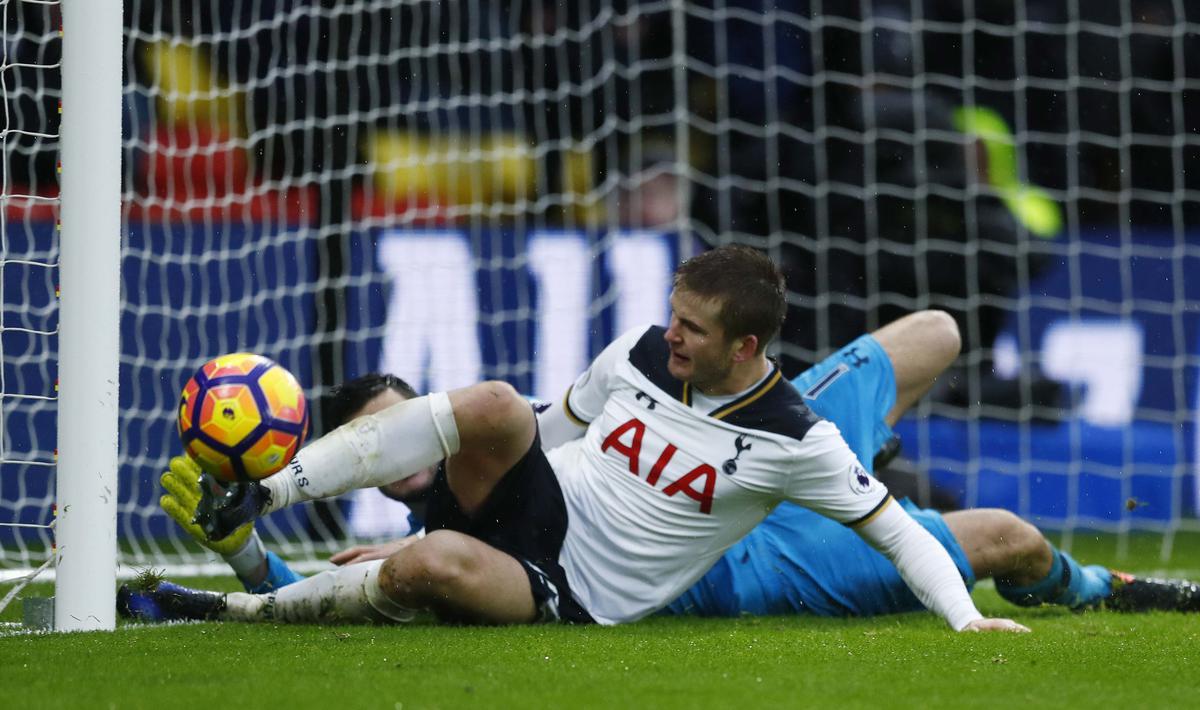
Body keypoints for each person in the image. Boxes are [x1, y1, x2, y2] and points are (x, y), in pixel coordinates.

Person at [123, 246, 1031, 631]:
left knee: (429, 564)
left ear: (746, 347)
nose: (670, 335)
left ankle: (232, 611)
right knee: (495, 402)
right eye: (672, 315)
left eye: (692, 328)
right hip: (543, 498)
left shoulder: (797, 439)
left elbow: (900, 535)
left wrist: (966, 619)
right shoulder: (638, 352)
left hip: (572, 586)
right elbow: (551, 426)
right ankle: (269, 488)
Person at [145, 310, 1200, 622]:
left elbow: (554, 418)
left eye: (397, 434)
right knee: (1008, 539)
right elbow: (327, 590)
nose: (398, 462)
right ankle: (1099, 588)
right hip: (748, 563)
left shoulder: (523, 438)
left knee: (933, 332)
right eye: (380, 457)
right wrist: (243, 557)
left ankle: (849, 466)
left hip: (749, 451)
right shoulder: (437, 546)